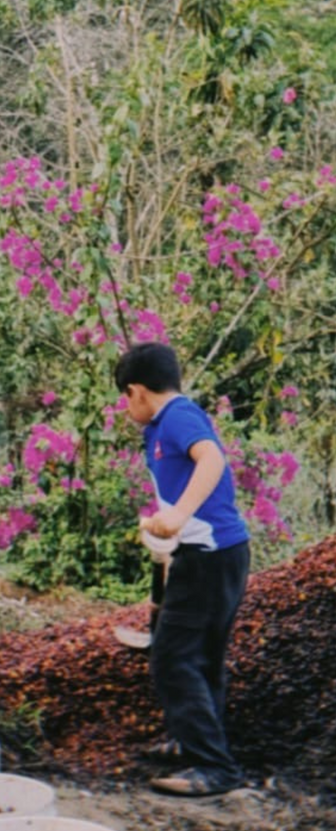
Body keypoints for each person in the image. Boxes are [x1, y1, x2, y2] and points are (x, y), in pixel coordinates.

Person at [116, 341, 250, 797]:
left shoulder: (177, 416)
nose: (125, 406)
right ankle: (192, 744)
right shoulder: (163, 424)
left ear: (136, 391)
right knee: (202, 658)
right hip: (213, 554)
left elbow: (212, 458)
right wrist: (167, 528)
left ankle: (214, 767)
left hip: (212, 556)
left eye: (124, 397)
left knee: (172, 658)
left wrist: (176, 517)